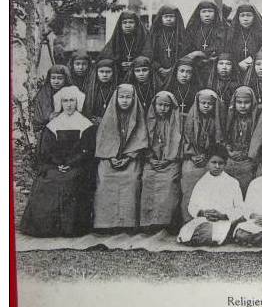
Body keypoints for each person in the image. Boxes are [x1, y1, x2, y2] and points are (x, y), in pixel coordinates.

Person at [20, 86, 95, 237]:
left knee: (70, 181)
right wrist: (58, 163)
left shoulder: (85, 124)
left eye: (71, 100)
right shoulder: (53, 125)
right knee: (48, 181)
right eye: (65, 101)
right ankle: (46, 228)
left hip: (78, 165)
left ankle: (70, 228)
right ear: (60, 103)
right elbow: (47, 150)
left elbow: (87, 150)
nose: (68, 104)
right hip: (54, 165)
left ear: (77, 102)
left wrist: (70, 163)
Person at [93, 84, 149, 232]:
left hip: (131, 159)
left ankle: (127, 223)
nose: (124, 100)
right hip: (109, 158)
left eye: (128, 97)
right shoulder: (109, 116)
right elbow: (104, 139)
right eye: (121, 97)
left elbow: (141, 139)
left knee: (131, 178)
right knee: (104, 178)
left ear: (133, 99)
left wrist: (129, 156)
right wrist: (111, 157)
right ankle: (105, 224)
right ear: (116, 98)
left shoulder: (138, 116)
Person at [177, 145, 244, 246]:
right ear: (208, 163)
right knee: (186, 234)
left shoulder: (233, 182)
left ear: (225, 164)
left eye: (220, 163)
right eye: (214, 162)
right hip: (204, 219)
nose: (217, 166)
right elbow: (192, 206)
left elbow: (240, 208)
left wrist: (223, 215)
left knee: (207, 234)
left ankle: (214, 236)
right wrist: (203, 213)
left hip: (223, 221)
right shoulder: (202, 182)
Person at [139, 91, 183, 232]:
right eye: (160, 105)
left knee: (169, 181)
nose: (163, 108)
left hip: (171, 162)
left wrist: (168, 159)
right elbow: (142, 142)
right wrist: (150, 158)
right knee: (147, 178)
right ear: (154, 105)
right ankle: (148, 222)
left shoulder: (178, 122)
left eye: (166, 105)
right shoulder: (147, 121)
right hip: (151, 161)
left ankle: (165, 222)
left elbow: (179, 144)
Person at [181, 89, 225, 221]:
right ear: (198, 103)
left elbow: (220, 144)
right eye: (203, 103)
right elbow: (186, 140)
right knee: (188, 173)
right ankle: (188, 218)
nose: (206, 106)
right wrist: (193, 155)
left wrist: (207, 156)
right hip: (192, 156)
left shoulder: (217, 120)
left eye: (209, 104)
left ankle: (210, 216)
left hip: (210, 158)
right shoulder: (191, 118)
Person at [224, 86, 259, 194]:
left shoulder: (256, 120)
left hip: (248, 159)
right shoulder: (228, 118)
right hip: (230, 158)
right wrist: (228, 150)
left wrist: (247, 153)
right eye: (239, 102)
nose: (243, 106)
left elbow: (258, 140)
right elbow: (223, 137)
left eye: (246, 102)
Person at [185, 1, 229, 83]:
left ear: (215, 13)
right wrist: (195, 54)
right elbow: (187, 48)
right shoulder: (192, 29)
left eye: (210, 11)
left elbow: (220, 47)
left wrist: (201, 53)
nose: (207, 14)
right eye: (204, 11)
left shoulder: (221, 29)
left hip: (214, 67)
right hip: (195, 67)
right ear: (199, 13)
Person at [99, 10, 151, 81]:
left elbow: (149, 56)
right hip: (118, 76)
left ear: (136, 24)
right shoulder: (116, 39)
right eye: (124, 23)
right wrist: (118, 63)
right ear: (120, 25)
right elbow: (106, 59)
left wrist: (134, 64)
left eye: (131, 22)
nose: (128, 25)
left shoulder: (144, 38)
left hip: (139, 77)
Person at [226, 4, 262, 74]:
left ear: (254, 17)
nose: (245, 19)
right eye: (242, 15)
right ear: (238, 18)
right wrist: (237, 65)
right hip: (236, 71)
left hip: (257, 70)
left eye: (249, 15)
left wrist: (251, 61)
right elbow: (227, 53)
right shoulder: (232, 34)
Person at [149, 5, 188, 80]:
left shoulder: (180, 35)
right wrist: (159, 68)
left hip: (177, 71)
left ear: (176, 18)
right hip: (157, 72)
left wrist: (173, 68)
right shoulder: (155, 35)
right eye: (166, 17)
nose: (169, 19)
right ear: (161, 18)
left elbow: (184, 53)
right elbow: (149, 53)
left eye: (171, 16)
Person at [33, 64, 71, 133]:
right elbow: (41, 116)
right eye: (53, 78)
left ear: (66, 79)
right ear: (49, 79)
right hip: (46, 129)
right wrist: (50, 116)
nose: (56, 81)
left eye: (60, 78)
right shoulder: (43, 93)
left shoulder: (71, 92)